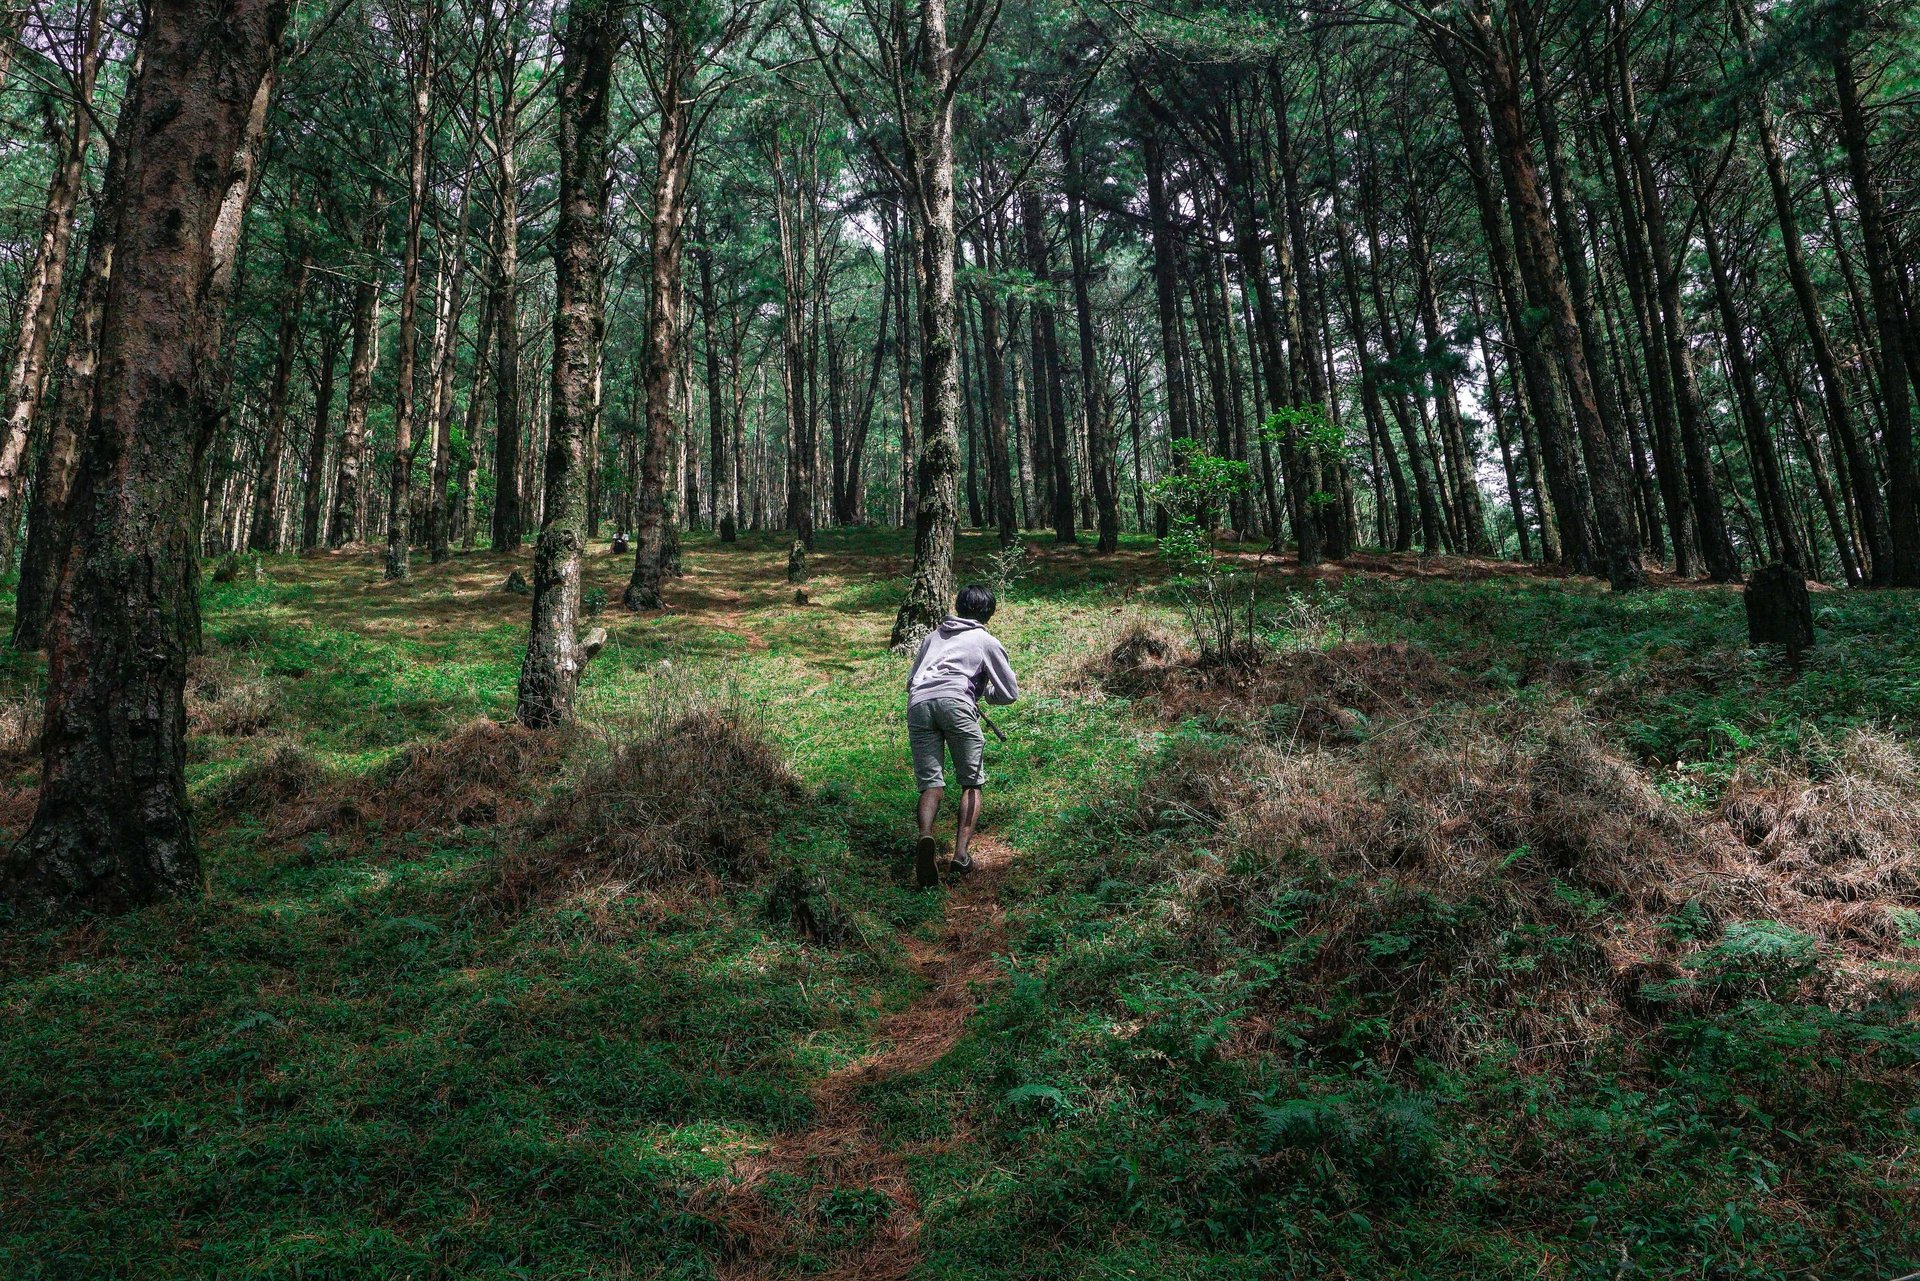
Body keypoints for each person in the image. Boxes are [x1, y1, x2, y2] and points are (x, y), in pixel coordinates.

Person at [904, 584, 1019, 886]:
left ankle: (926, 836)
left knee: (930, 784)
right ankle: (960, 855)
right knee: (971, 783)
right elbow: (1008, 692)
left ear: (958, 606)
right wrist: (982, 692)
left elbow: (911, 682)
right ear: (989, 613)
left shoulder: (933, 636)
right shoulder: (984, 640)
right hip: (956, 703)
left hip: (918, 705)